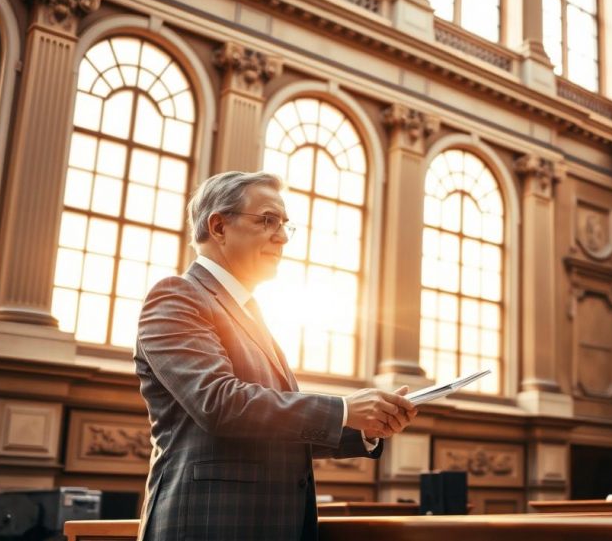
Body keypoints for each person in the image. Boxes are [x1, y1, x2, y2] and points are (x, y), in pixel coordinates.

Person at [134, 171, 417, 541]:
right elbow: (219, 404)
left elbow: (273, 428)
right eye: (268, 220)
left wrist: (361, 428)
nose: (282, 236)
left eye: (285, 225)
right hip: (210, 525)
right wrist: (345, 410)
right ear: (219, 226)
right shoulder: (177, 296)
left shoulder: (253, 313)